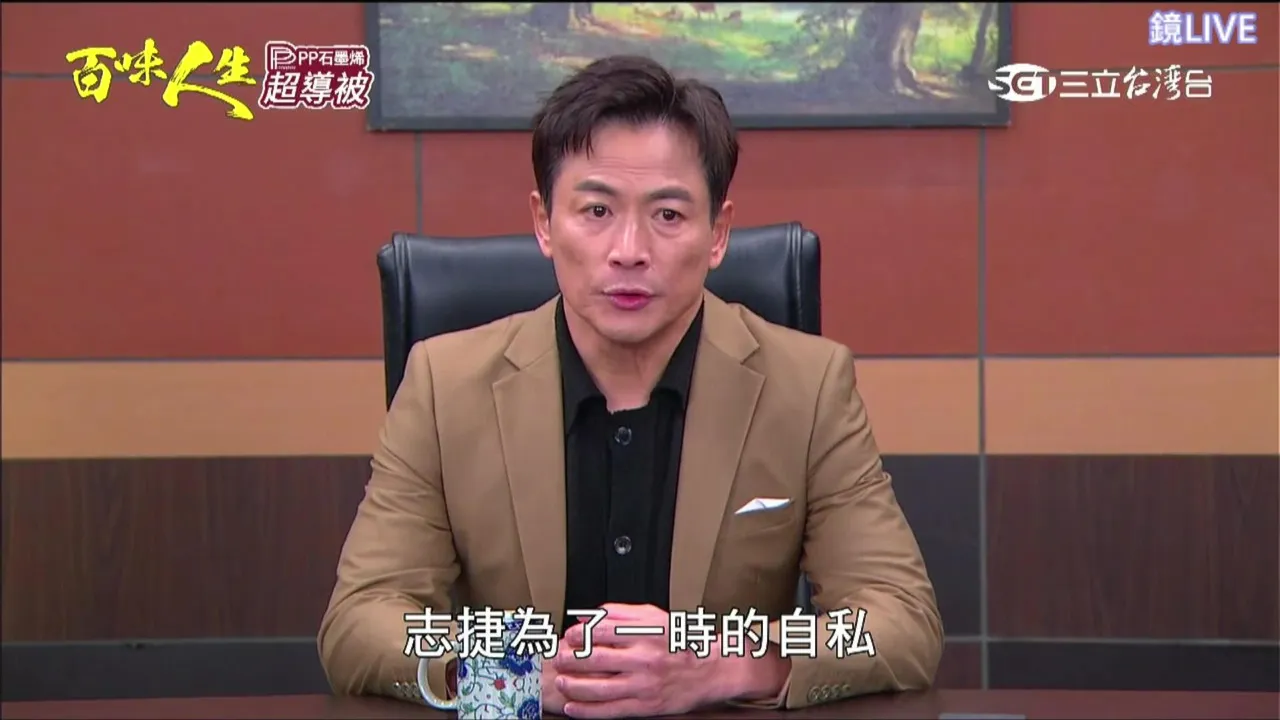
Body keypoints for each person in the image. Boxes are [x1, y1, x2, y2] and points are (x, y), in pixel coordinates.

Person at [318, 54, 943, 717]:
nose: (629, 250)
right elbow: (361, 620)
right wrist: (512, 677)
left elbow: (899, 621)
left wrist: (725, 666)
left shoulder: (807, 387)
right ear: (543, 223)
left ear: (717, 234)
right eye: (596, 210)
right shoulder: (445, 385)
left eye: (668, 215)